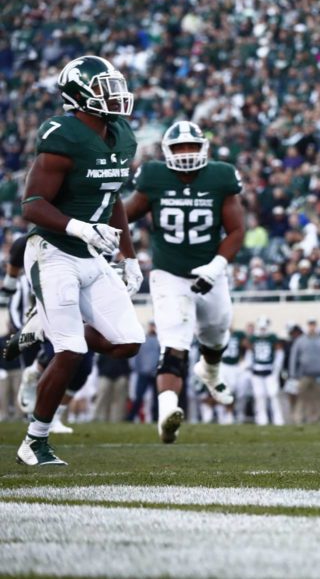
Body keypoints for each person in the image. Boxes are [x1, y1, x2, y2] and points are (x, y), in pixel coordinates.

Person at [16, 55, 145, 466]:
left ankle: (43, 328)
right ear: (79, 96)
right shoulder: (62, 136)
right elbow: (33, 205)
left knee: (127, 344)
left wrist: (129, 255)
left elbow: (113, 199)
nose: (116, 96)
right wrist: (79, 227)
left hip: (92, 253)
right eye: (104, 88)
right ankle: (34, 441)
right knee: (70, 349)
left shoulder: (122, 135)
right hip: (53, 252)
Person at [124, 120, 245, 443]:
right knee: (174, 343)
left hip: (211, 269)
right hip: (169, 273)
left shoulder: (220, 176)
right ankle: (166, 412)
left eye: (192, 146)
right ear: (167, 152)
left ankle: (210, 371)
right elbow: (123, 214)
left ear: (204, 148)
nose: (187, 153)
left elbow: (236, 230)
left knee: (217, 331)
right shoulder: (153, 176)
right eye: (180, 148)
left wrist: (217, 266)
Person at [288, 318, 320, 425]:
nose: (312, 328)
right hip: (304, 374)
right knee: (302, 397)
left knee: (317, 398)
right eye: (310, 325)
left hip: (318, 374)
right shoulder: (301, 340)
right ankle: (299, 418)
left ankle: (316, 418)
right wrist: (293, 374)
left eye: (313, 325)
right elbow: (294, 357)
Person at [249, 317, 285, 426]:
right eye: (261, 328)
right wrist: (250, 366)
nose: (263, 330)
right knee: (259, 395)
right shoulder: (253, 338)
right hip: (257, 370)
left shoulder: (273, 337)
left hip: (270, 370)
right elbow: (249, 353)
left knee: (273, 394)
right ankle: (261, 419)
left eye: (264, 328)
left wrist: (276, 369)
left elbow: (279, 353)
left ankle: (278, 419)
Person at [126, 321, 160, 423]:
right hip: (143, 373)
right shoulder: (143, 340)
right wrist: (137, 369)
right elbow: (136, 356)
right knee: (138, 396)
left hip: (155, 374)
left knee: (156, 399)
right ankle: (131, 417)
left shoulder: (160, 340)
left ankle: (155, 418)